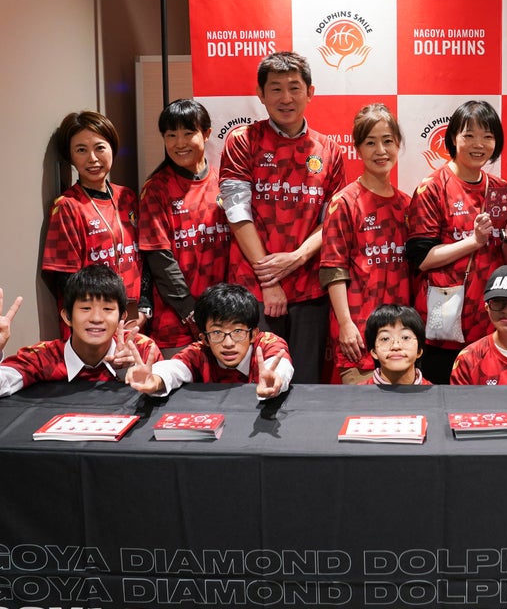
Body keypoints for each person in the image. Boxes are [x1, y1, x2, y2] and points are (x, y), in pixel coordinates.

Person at [218, 51, 346, 384]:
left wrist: (298, 256)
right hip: (254, 290)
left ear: (310, 92)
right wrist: (270, 281)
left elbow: (331, 222)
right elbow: (236, 212)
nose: (285, 98)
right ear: (260, 94)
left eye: (294, 88)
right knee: (259, 382)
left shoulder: (329, 150)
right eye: (275, 88)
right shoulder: (242, 140)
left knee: (306, 385)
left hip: (309, 290)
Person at [406, 100, 507, 384]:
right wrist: (474, 241)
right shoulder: (433, 187)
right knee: (441, 398)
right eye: (469, 135)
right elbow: (422, 259)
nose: (479, 144)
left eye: (488, 136)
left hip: (490, 321)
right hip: (443, 324)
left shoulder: (501, 189)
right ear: (453, 138)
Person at [0, 265, 160, 401]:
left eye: (107, 309)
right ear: (67, 317)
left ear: (122, 317)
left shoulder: (141, 349)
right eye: (85, 308)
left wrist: (127, 371)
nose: (96, 318)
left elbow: (162, 396)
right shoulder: (43, 357)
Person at [320, 104, 413, 384]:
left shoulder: (408, 205)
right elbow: (333, 269)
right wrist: (345, 324)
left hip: (401, 338)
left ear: (398, 144)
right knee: (363, 409)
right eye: (370, 143)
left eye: (388, 141)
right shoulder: (344, 202)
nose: (381, 150)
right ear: (358, 149)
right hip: (358, 337)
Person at [138, 99, 230, 351]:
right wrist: (191, 312)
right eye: (171, 135)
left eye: (188, 133)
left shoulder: (224, 182)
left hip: (224, 319)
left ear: (207, 134)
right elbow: (159, 258)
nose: (179, 143)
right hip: (176, 323)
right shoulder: (156, 189)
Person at [42, 111, 144, 325]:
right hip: (93, 325)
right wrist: (100, 318)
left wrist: (144, 309)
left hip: (133, 321)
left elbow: (143, 259)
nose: (93, 159)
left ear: (112, 148)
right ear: (70, 156)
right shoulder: (67, 206)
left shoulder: (127, 197)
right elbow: (67, 280)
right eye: (81, 150)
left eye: (99, 148)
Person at [126, 283, 293, 398]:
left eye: (237, 331)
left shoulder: (268, 344)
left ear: (254, 334)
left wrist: (276, 380)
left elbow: (281, 366)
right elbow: (174, 368)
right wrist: (155, 379)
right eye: (217, 333)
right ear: (204, 338)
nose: (228, 343)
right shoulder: (199, 352)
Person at [361, 304, 430, 386]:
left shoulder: (436, 393)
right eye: (385, 339)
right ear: (374, 352)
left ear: (419, 351)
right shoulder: (357, 393)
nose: (396, 346)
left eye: (405, 337)